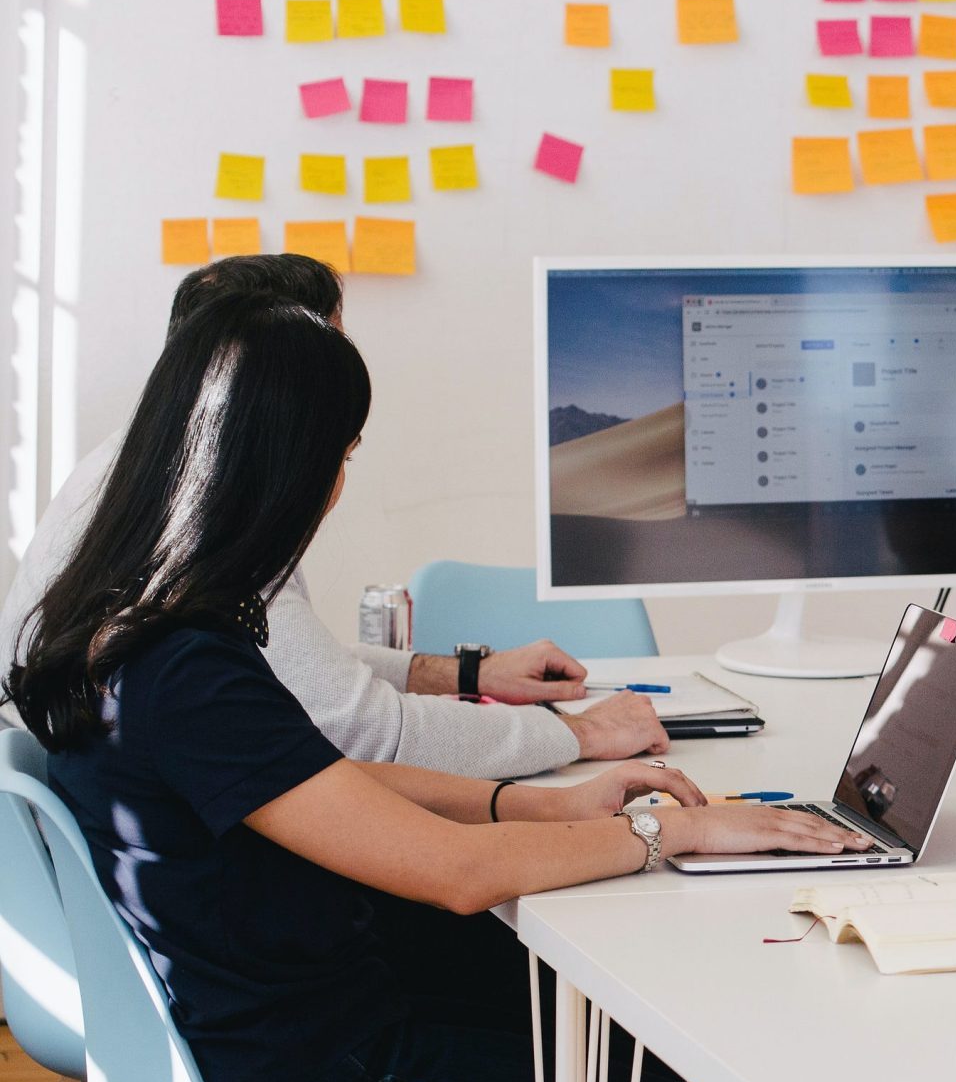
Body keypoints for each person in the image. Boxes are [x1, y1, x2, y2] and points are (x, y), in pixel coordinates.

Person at [4, 295, 862, 1082]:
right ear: (293, 463)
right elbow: (452, 876)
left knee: (607, 1053)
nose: (338, 483)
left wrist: (536, 805)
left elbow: (318, 785)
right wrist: (665, 830)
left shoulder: (131, 624)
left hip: (265, 1045)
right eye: (344, 451)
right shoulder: (191, 665)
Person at [0, 254, 667, 779]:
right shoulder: (204, 517)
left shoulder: (136, 472)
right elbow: (363, 733)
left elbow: (281, 668)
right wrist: (576, 735)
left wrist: (467, 675)